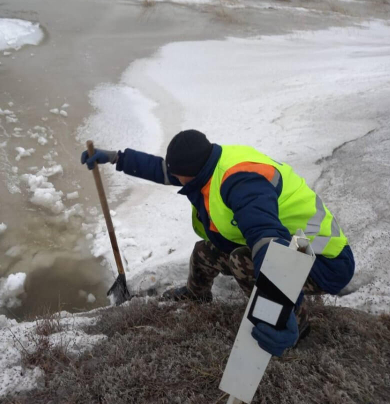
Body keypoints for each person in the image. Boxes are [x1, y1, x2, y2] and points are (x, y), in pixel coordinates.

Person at [81, 130, 355, 357]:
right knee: (204, 252)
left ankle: (296, 321)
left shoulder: (242, 183)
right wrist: (118, 158)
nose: (173, 178)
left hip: (322, 259)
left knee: (242, 261)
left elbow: (269, 242)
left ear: (193, 172)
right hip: (292, 243)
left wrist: (279, 309)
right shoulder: (206, 162)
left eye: (178, 175)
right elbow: (165, 169)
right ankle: (197, 294)